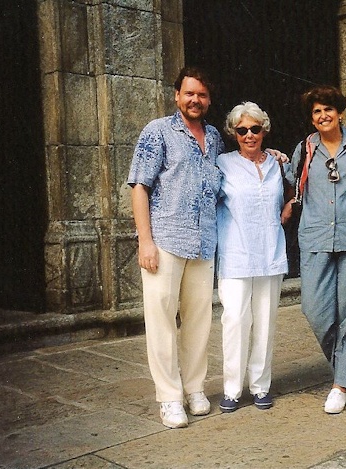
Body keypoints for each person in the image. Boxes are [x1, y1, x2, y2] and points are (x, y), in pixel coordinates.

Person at [127, 67, 223, 428]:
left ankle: (195, 388)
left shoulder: (214, 137)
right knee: (162, 320)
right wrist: (145, 241)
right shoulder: (158, 131)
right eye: (189, 93)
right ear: (177, 96)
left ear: (209, 100)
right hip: (165, 239)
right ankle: (169, 396)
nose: (195, 100)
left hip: (203, 241)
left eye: (202, 95)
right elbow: (140, 186)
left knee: (199, 320)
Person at [290, 85, 346, 414]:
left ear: (339, 112)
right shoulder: (305, 149)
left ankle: (341, 384)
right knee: (314, 309)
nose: (323, 115)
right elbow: (291, 182)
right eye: (317, 111)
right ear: (311, 118)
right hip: (316, 238)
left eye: (328, 109)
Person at [215, 102, 290, 413]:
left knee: (265, 321)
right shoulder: (222, 163)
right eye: (242, 130)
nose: (249, 135)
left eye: (255, 129)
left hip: (270, 251)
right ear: (234, 133)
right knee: (235, 319)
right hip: (235, 253)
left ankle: (260, 386)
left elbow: (298, 187)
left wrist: (292, 204)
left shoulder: (278, 163)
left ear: (264, 131)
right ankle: (232, 389)